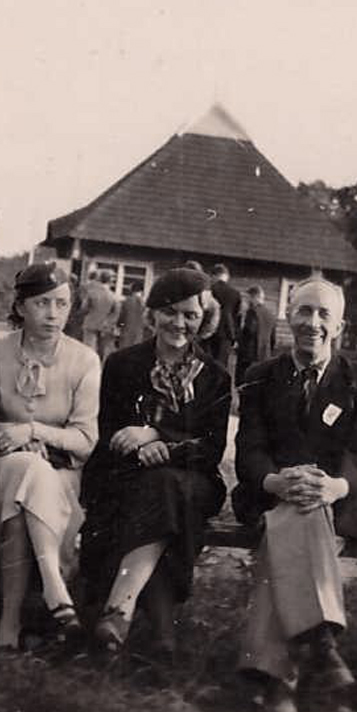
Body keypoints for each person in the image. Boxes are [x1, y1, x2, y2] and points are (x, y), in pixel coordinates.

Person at [232, 278, 357, 712]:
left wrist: (333, 487)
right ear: (288, 316)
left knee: (300, 519)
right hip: (270, 495)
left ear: (339, 326)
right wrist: (275, 481)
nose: (312, 323)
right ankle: (320, 642)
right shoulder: (260, 377)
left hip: (336, 504)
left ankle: (276, 680)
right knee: (295, 516)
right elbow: (249, 451)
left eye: (323, 314)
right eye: (303, 311)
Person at [79, 268, 232, 657]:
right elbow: (109, 432)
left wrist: (157, 437)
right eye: (169, 312)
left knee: (165, 486)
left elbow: (211, 448)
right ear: (152, 313)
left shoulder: (215, 377)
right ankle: (162, 635)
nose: (179, 324)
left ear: (204, 319)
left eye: (190, 315)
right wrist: (137, 449)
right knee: (158, 494)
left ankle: (119, 609)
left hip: (193, 478)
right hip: (126, 473)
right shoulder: (122, 364)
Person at [0, 262, 101, 650]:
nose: (52, 314)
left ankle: (8, 628)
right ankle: (54, 587)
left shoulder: (84, 360)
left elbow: (85, 440)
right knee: (25, 468)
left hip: (61, 475)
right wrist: (4, 434)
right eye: (42, 303)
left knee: (28, 484)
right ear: (21, 306)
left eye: (61, 304)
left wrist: (32, 432)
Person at [236, 285, 278, 384]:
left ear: (254, 297)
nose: (247, 301)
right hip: (265, 355)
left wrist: (239, 340)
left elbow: (250, 331)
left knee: (244, 384)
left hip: (249, 355)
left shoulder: (252, 312)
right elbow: (273, 338)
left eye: (248, 298)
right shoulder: (270, 314)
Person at [205, 263, 242, 367]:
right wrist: (235, 337)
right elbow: (237, 317)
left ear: (214, 275)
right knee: (221, 365)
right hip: (227, 333)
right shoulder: (235, 293)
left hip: (209, 332)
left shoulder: (210, 291)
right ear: (226, 276)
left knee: (206, 364)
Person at [79, 269, 119, 360]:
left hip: (90, 323)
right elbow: (115, 313)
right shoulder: (113, 296)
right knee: (101, 351)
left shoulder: (92, 293)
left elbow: (84, 308)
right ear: (110, 281)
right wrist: (108, 322)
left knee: (88, 349)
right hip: (104, 326)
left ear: (99, 279)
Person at [115, 286, 147, 350]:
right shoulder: (144, 304)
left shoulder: (127, 301)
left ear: (132, 291)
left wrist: (119, 326)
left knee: (124, 351)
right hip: (138, 334)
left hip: (127, 331)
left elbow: (122, 317)